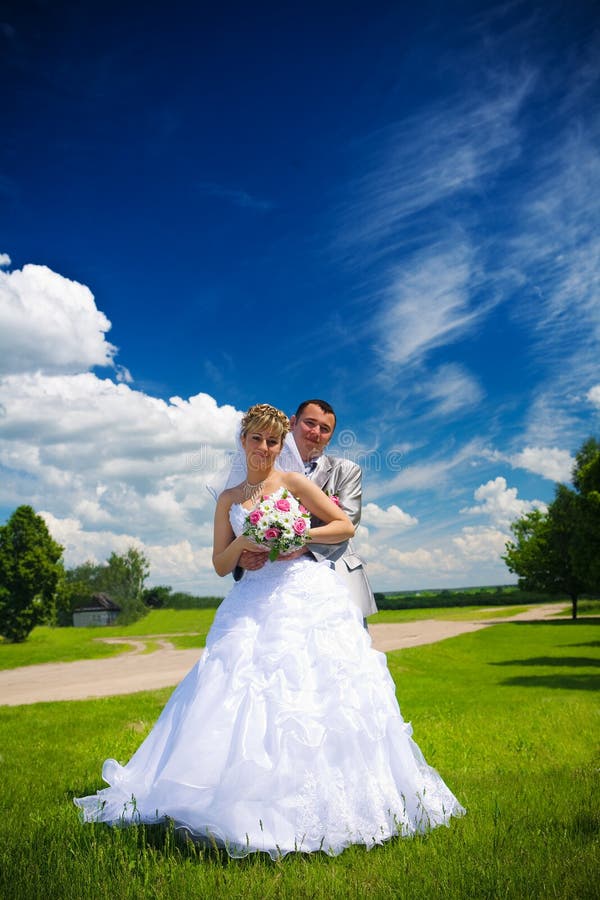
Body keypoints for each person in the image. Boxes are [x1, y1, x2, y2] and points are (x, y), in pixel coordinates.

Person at [74, 403, 465, 858]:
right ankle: (232, 802)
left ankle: (329, 804)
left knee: (316, 695)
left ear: (283, 445)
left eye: (273, 441)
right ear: (243, 441)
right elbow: (220, 565)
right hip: (251, 598)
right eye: (256, 439)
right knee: (234, 688)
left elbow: (342, 524)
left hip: (305, 592)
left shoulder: (294, 482)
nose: (264, 448)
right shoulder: (227, 499)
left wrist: (300, 537)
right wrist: (242, 545)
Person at [237, 399, 378, 625]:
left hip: (335, 576)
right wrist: (240, 558)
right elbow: (243, 522)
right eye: (310, 423)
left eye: (325, 429)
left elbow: (348, 522)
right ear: (293, 423)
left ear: (330, 437)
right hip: (272, 585)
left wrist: (297, 543)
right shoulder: (261, 469)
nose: (315, 432)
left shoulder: (346, 470)